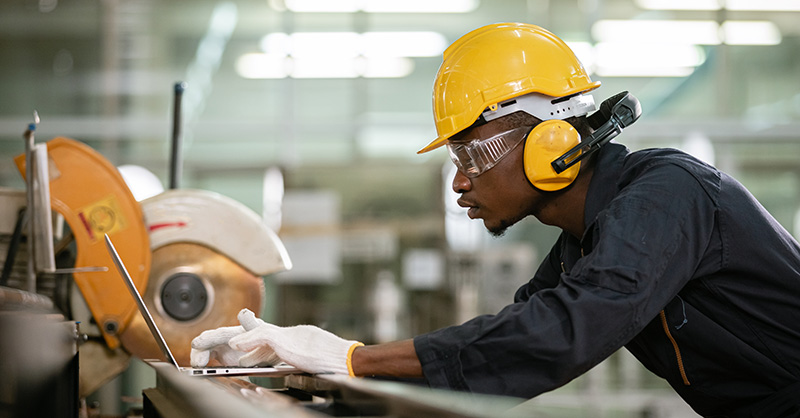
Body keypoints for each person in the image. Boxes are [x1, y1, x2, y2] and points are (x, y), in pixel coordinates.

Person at [191, 23, 800, 417]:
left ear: (551, 141)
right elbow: (507, 348)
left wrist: (351, 358)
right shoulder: (577, 248)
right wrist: (303, 369)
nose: (459, 181)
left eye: (471, 154)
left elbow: (567, 330)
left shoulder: (669, 192)